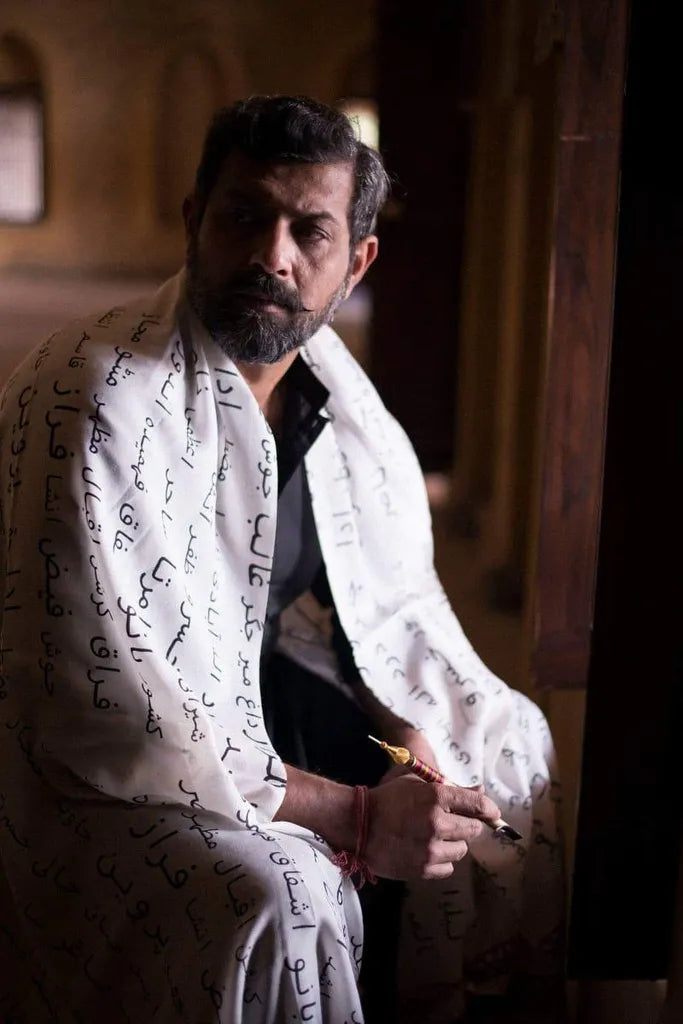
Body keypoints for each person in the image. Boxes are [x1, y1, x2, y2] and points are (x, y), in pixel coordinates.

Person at [0, 95, 564, 1023]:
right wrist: (356, 816)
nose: (273, 256)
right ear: (194, 222)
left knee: (509, 754)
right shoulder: (93, 397)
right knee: (280, 897)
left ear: (356, 262)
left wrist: (414, 746)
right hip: (116, 772)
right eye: (243, 216)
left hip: (270, 693)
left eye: (310, 231)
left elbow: (386, 607)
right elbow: (103, 716)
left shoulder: (333, 391)